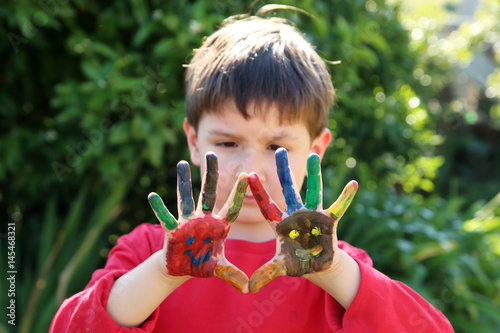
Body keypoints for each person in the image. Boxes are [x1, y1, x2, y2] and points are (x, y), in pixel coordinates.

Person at [50, 14, 454, 333]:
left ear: (316, 150)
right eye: (227, 144)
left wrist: (332, 271)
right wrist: (164, 270)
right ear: (193, 141)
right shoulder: (146, 251)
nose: (251, 173)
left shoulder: (336, 267)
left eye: (277, 149)